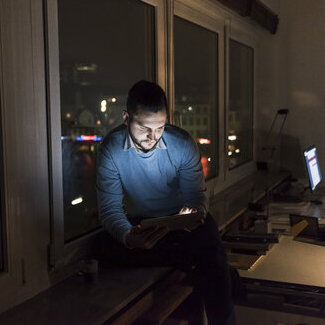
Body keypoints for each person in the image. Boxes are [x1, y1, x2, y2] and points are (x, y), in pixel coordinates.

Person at [96, 80, 235, 325]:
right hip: (142, 224)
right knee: (104, 246)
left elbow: (196, 194)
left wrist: (194, 212)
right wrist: (128, 236)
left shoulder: (181, 143)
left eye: (160, 127)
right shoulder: (111, 148)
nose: (153, 136)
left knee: (211, 248)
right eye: (144, 128)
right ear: (126, 118)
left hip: (181, 222)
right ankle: (190, 261)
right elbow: (109, 209)